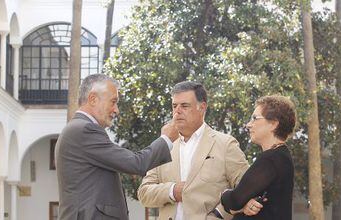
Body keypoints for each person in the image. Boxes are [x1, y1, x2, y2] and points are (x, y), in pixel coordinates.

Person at [55, 74, 179, 220]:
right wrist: (166, 139)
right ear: (93, 99)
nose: (116, 110)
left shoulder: (78, 128)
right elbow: (136, 163)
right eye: (113, 102)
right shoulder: (84, 130)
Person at [138, 81, 263, 220]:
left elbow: (248, 189)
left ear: (202, 107)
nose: (177, 111)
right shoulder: (164, 146)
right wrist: (172, 191)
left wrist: (218, 214)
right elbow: (144, 193)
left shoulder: (225, 145)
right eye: (174, 106)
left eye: (184, 106)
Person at [220, 95, 296, 220]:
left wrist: (224, 194)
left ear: (273, 124)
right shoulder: (280, 155)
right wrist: (244, 204)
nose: (248, 125)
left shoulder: (271, 159)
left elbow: (235, 200)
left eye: (255, 118)